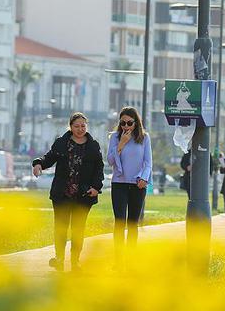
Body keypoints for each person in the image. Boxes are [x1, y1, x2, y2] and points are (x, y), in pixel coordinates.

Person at [32, 112, 104, 272]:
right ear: (70, 127)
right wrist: (38, 164)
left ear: (87, 126)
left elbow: (99, 168)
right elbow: (48, 158)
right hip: (62, 194)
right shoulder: (62, 143)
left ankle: (75, 261)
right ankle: (59, 258)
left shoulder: (93, 146)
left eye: (83, 126)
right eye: (76, 126)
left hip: (84, 195)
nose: (80, 129)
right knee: (61, 227)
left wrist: (96, 187)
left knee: (78, 229)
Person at [107, 106, 153, 267]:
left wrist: (143, 178)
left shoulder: (144, 138)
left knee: (133, 223)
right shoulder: (115, 137)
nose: (126, 126)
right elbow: (111, 161)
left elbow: (148, 163)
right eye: (122, 123)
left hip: (137, 185)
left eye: (129, 123)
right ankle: (118, 261)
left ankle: (131, 261)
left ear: (136, 123)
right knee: (120, 222)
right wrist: (121, 144)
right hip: (119, 184)